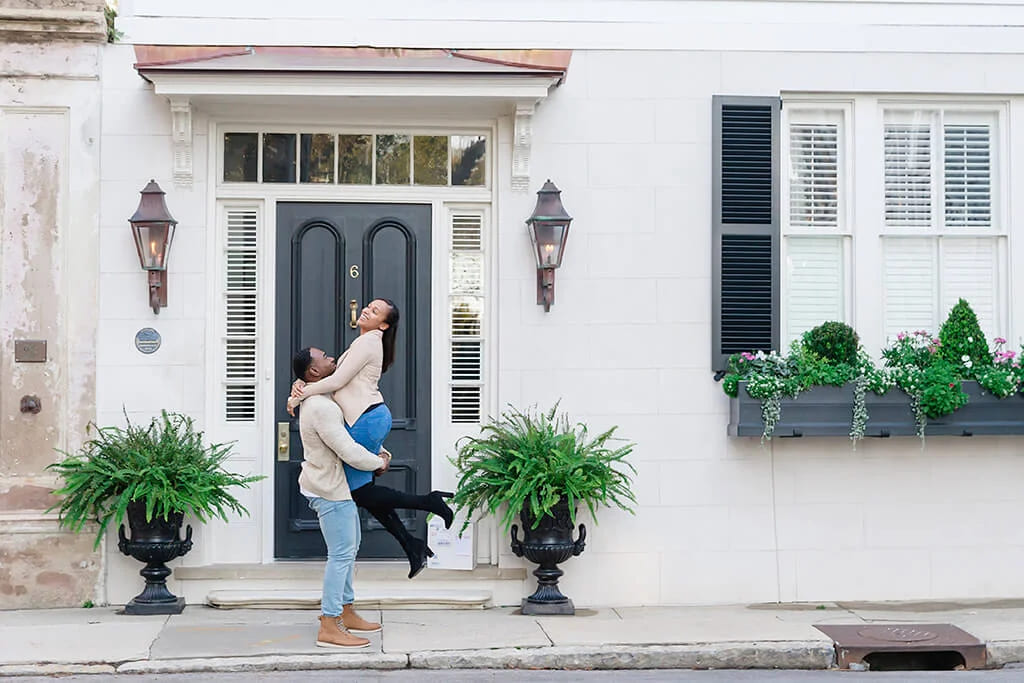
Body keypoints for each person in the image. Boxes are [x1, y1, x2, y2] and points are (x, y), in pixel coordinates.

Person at [289, 298, 455, 580]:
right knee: (365, 493)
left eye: (375, 311)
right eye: (369, 306)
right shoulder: (364, 341)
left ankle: (429, 503)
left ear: (384, 324)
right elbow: (333, 382)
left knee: (357, 492)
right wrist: (303, 385)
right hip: (368, 417)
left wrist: (297, 397)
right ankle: (411, 545)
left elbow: (336, 381)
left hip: (367, 418)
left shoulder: (368, 342)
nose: (367, 309)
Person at [292, 354, 388, 649]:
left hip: (335, 488)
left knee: (348, 549)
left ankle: (346, 611)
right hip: (328, 490)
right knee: (341, 555)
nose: (332, 357)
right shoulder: (320, 407)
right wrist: (378, 463)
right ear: (313, 370)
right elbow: (346, 448)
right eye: (324, 357)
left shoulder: (324, 397)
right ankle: (329, 624)